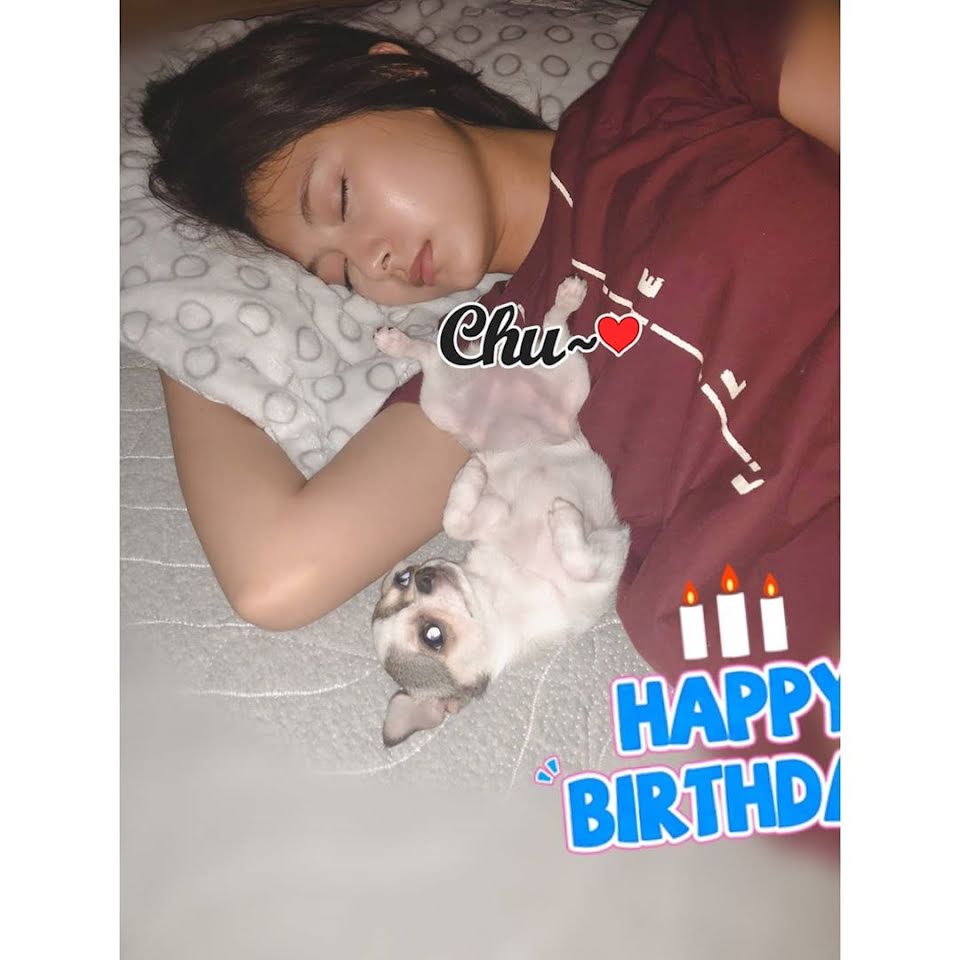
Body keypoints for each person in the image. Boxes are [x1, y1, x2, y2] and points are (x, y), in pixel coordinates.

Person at [142, 0, 840, 781]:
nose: (372, 264)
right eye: (337, 273)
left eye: (339, 198)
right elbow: (277, 574)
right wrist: (180, 295)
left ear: (392, 74)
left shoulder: (679, 66)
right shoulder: (491, 364)